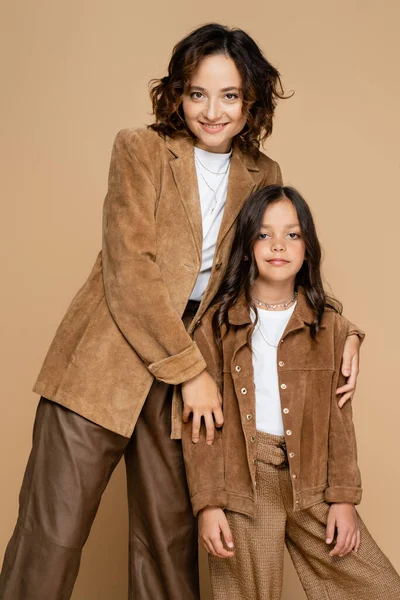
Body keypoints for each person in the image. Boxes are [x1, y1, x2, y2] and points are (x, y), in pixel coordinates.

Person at [0, 25, 361, 600]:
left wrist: (341, 330)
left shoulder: (263, 174)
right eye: (197, 93)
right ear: (177, 94)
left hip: (191, 385)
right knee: (51, 539)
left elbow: (269, 269)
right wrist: (190, 371)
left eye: (229, 96)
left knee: (168, 549)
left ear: (251, 102)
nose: (212, 110)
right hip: (103, 363)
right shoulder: (138, 148)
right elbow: (130, 271)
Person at [182, 184, 400, 600]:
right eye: (264, 234)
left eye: (292, 234)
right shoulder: (215, 327)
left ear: (307, 248)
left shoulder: (331, 328)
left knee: (379, 588)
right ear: (247, 246)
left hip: (313, 481)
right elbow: (201, 429)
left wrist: (343, 498)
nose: (278, 245)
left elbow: (340, 420)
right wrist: (209, 505)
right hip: (244, 486)